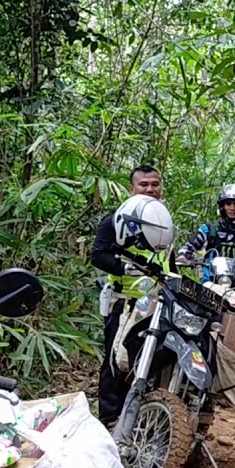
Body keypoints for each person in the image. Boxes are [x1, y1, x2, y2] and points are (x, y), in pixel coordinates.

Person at [89, 164, 171, 427]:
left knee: (148, 361)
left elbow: (167, 259)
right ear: (131, 188)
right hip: (123, 302)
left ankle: (139, 420)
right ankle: (110, 421)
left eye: (155, 184)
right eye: (143, 184)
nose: (150, 189)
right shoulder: (117, 219)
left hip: (157, 304)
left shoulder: (164, 221)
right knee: (115, 362)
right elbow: (98, 255)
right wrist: (125, 268)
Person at [177, 183, 235, 295]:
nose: (232, 208)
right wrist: (183, 256)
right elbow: (189, 246)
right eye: (228, 204)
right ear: (222, 206)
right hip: (211, 280)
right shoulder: (209, 229)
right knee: (197, 304)